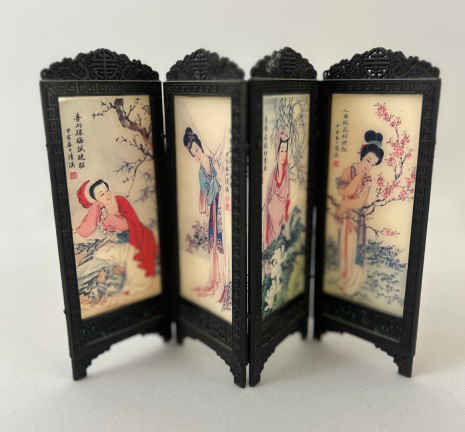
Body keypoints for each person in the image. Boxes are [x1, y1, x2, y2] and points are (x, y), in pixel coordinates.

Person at [74, 179, 158, 300]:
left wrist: (112, 221)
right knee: (96, 255)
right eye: (102, 194)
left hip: (134, 238)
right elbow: (89, 228)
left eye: (107, 191)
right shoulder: (99, 209)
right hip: (115, 242)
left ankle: (85, 281)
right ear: (97, 200)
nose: (107, 195)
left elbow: (130, 225)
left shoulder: (120, 201)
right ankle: (80, 282)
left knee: (103, 257)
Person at [335, 130, 384, 294]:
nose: (369, 166)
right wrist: (358, 178)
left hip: (358, 217)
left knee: (357, 249)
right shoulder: (349, 171)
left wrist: (346, 204)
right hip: (346, 218)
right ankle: (344, 281)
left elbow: (360, 202)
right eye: (368, 160)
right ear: (362, 155)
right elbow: (345, 191)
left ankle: (353, 283)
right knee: (346, 248)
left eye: (373, 164)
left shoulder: (368, 179)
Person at [183, 127, 226, 300]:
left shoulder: (213, 160)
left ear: (200, 146)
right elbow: (207, 194)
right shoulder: (201, 172)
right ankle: (217, 280)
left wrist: (217, 181)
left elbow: (222, 180)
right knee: (215, 243)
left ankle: (224, 280)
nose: (196, 153)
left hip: (223, 204)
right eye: (193, 152)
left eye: (197, 148)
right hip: (214, 207)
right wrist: (214, 184)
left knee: (224, 241)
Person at [263, 127, 291, 250]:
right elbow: (267, 199)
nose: (284, 154)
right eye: (281, 150)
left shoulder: (287, 175)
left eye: (285, 151)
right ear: (276, 151)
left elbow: (288, 199)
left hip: (282, 219)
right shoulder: (272, 176)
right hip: (271, 221)